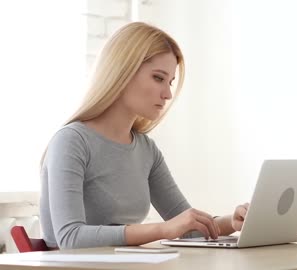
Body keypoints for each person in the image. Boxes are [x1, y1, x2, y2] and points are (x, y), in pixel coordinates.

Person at [39, 22, 249, 249]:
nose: (168, 94)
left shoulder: (146, 150)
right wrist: (163, 229)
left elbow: (186, 227)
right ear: (123, 72)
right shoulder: (71, 141)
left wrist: (233, 221)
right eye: (158, 78)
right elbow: (71, 238)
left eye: (170, 82)